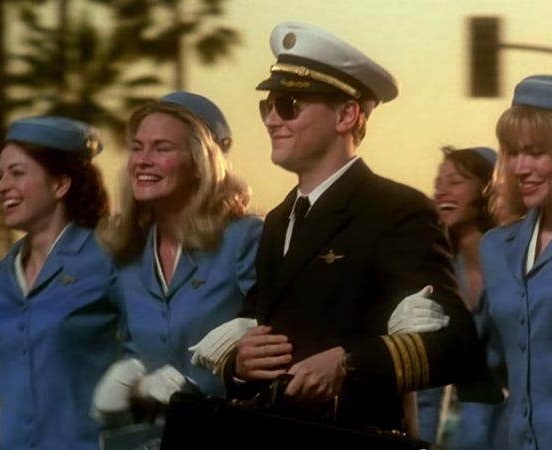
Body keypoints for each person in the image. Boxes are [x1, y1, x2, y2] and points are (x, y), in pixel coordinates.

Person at [205, 21, 487, 437]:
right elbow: (256, 324)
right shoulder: (280, 219)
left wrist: (348, 361)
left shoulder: (397, 211)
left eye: (289, 105)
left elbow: (456, 344)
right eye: (267, 106)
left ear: (346, 115)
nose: (271, 120)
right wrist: (239, 364)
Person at [92, 91, 262, 423]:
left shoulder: (244, 238)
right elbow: (136, 352)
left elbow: (273, 345)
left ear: (199, 165)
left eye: (162, 148)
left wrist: (199, 388)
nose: (142, 160)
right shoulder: (128, 254)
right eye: (137, 147)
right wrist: (133, 389)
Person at [480, 74, 552, 450]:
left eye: (535, 153)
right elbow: (490, 360)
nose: (518, 167)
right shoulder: (496, 247)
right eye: (512, 153)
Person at [0, 116, 123, 450]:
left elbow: (149, 347)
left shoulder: (107, 260)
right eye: (0, 175)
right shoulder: (3, 276)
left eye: (17, 173)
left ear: (60, 185)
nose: (2, 186)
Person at [417, 146, 508, 450]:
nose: (441, 191)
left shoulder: (519, 267)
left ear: (488, 188)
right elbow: (425, 384)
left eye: (455, 181)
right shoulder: (435, 273)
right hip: (444, 434)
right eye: (438, 183)